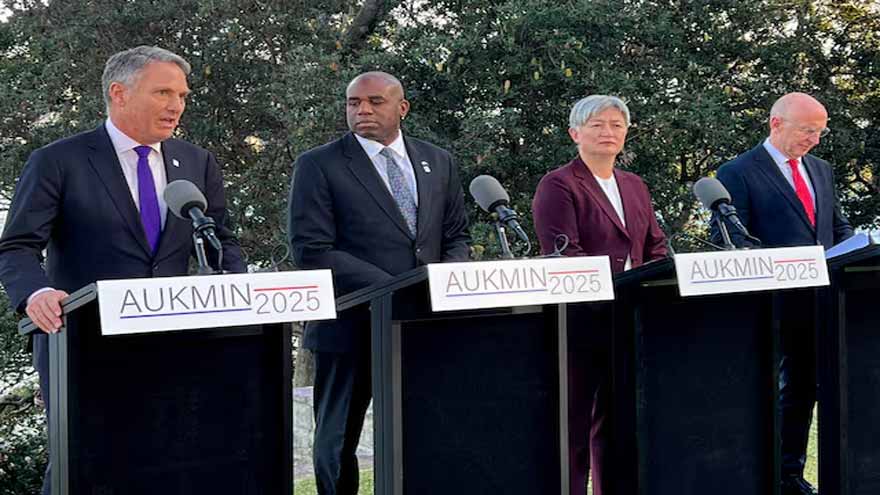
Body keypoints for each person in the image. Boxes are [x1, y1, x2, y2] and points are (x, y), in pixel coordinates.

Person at [0, 46, 244, 494]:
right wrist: (36, 294)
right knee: (84, 466)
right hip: (80, 341)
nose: (177, 106)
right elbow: (16, 246)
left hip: (174, 341)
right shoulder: (58, 160)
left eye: (183, 95)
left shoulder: (195, 162)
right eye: (164, 92)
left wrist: (241, 293)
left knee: (168, 461)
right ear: (119, 93)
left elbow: (219, 238)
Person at [288, 71, 470, 495]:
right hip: (350, 327)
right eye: (354, 103)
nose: (363, 110)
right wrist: (397, 288)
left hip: (423, 325)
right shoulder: (319, 164)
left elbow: (456, 235)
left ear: (401, 107)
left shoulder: (437, 160)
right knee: (337, 441)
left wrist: (442, 282)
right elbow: (312, 248)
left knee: (427, 431)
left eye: (374, 102)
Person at [712, 92, 853, 495]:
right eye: (808, 130)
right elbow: (729, 240)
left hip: (824, 302)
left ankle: (790, 472)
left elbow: (835, 229)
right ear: (776, 124)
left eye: (820, 132)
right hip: (771, 305)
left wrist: (857, 246)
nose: (815, 140)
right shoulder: (738, 171)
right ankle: (765, 471)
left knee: (806, 389)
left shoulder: (821, 169)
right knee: (772, 391)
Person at [532, 95, 667, 495]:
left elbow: (655, 246)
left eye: (616, 125)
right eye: (597, 125)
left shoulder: (634, 185)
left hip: (631, 320)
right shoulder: (558, 184)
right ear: (575, 133)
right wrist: (617, 288)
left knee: (621, 423)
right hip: (580, 322)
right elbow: (563, 253)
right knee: (573, 426)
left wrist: (649, 286)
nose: (608, 132)